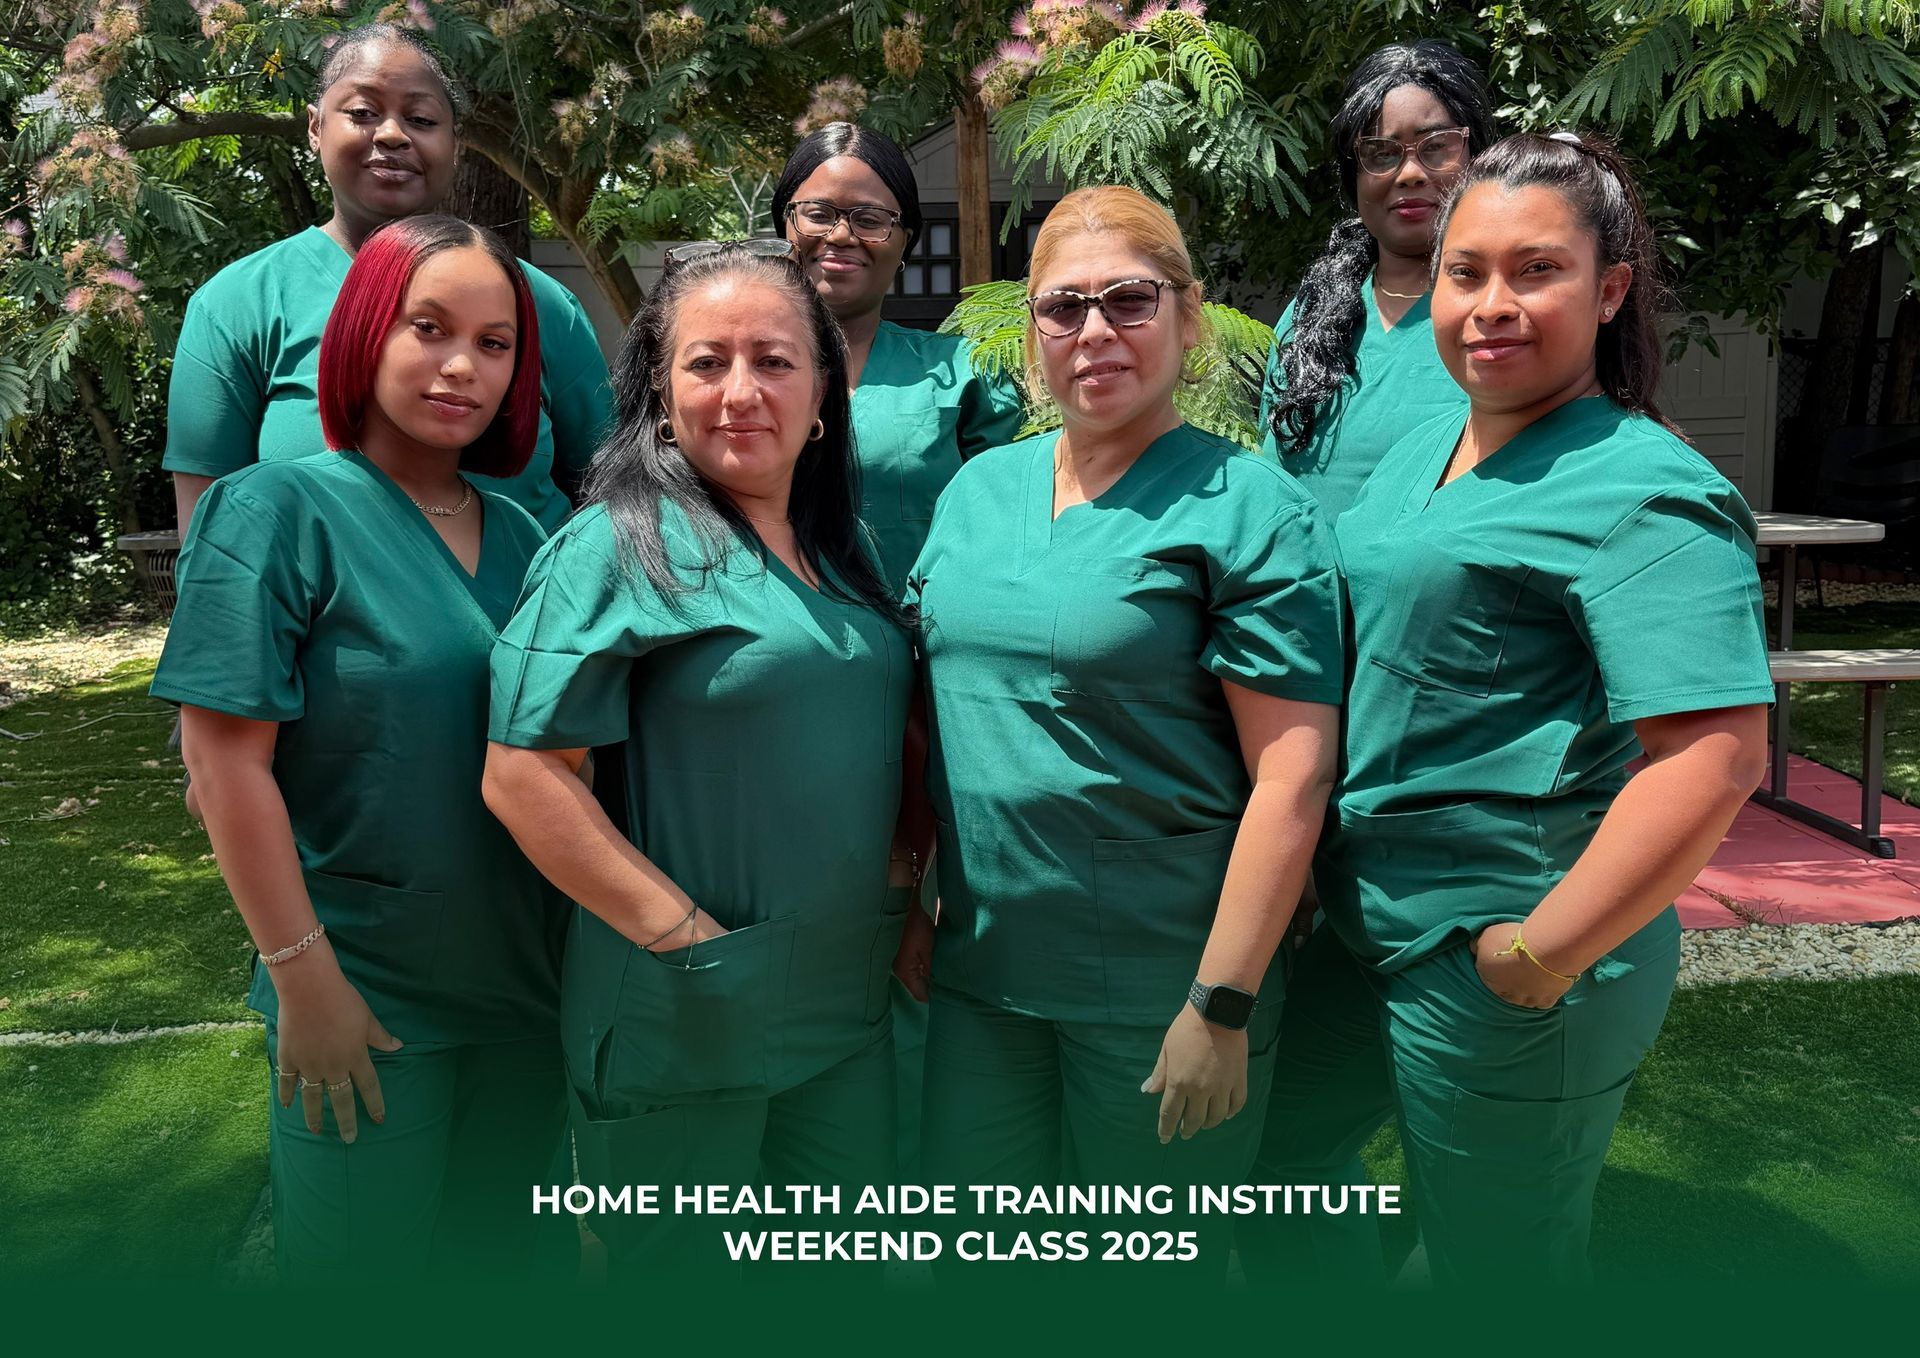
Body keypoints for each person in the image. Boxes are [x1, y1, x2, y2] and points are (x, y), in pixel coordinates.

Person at [1245, 133, 1774, 1288]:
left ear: (1610, 289)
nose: (1491, 305)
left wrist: (1535, 955)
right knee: (1276, 1162)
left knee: (1499, 1266)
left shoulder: (1646, 489)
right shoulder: (1428, 445)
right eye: (1463, 271)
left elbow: (1716, 755)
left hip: (1511, 939)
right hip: (1364, 920)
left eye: (1536, 271)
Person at [901, 187, 1343, 1273]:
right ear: (1032, 333)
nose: (1094, 331)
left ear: (1188, 319)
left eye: (1130, 300)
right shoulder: (976, 490)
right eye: (1064, 308)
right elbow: (931, 708)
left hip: (1162, 985)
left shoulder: (1251, 508)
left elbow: (1294, 770)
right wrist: (912, 887)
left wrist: (1222, 1001)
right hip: (982, 977)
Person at [483, 242, 918, 1276]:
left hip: (842, 1009)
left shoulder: (843, 545)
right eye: (705, 362)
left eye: (772, 361)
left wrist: (907, 875)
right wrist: (686, 940)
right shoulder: (614, 545)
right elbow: (524, 773)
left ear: (822, 391)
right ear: (659, 395)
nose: (739, 392)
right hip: (688, 1011)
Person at [150, 216, 569, 1281]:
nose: (461, 365)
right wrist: (307, 983)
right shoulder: (276, 509)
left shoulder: (532, 537)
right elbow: (224, 765)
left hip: (528, 997)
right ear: (364, 332)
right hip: (366, 998)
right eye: (427, 328)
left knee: (500, 1290)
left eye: (495, 341)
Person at [771, 121, 1025, 1176]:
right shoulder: (742, 358)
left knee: (916, 923)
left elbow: (1015, 511)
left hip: (928, 698)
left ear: (903, 235)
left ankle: (913, 1181)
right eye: (818, 211)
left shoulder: (956, 370)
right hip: (773, 688)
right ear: (783, 224)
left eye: (870, 213)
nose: (842, 233)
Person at [163, 22, 609, 536]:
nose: (393, 134)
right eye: (362, 113)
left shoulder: (541, 303)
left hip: (535, 610)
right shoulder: (238, 304)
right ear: (314, 128)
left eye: (421, 118)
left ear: (455, 145)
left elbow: (614, 490)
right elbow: (210, 534)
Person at [1259, 40, 1494, 522]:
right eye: (1381, 154)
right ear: (1355, 175)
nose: (1409, 173)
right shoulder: (1316, 310)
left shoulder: (1503, 312)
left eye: (1437, 147)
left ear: (1478, 157)